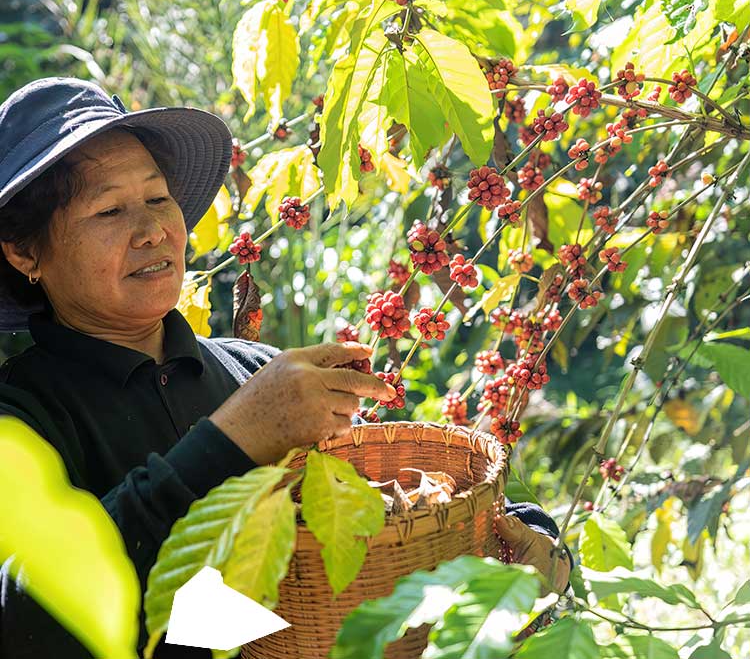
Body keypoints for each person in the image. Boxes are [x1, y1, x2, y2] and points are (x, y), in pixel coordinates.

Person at [0, 78, 571, 659]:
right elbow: (25, 619)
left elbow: (413, 503)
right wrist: (234, 438)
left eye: (156, 198)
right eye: (109, 210)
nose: (152, 231)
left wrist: (535, 545)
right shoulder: (20, 421)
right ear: (25, 251)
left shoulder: (257, 370)